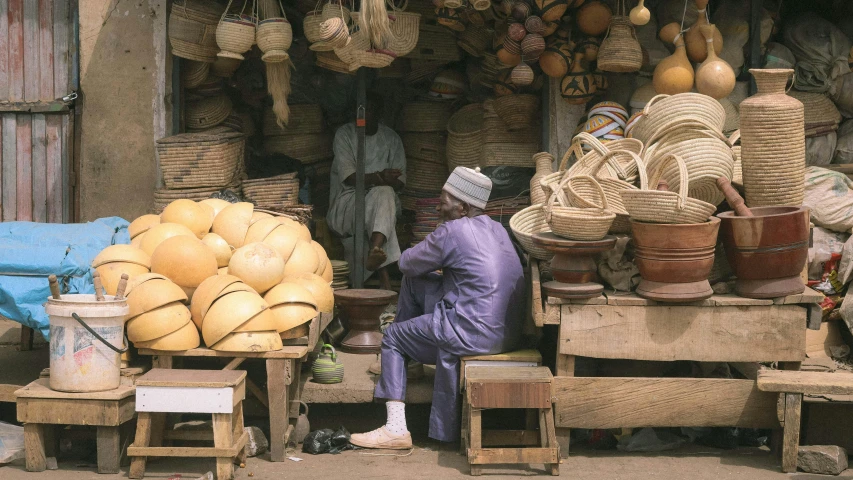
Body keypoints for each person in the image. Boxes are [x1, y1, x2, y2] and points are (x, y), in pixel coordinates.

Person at [350, 167, 526, 449]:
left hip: (472, 333)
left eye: (443, 203)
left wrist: (438, 240)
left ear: (463, 207)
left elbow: (406, 262)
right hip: (505, 334)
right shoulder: (498, 228)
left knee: (393, 336)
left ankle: (395, 427)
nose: (438, 208)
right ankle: (412, 363)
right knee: (416, 280)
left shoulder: (453, 231)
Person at [327, 92, 406, 290]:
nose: (364, 115)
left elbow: (401, 183)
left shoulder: (391, 138)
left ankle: (375, 249)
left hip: (384, 203)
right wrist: (380, 177)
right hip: (348, 202)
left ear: (379, 112)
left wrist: (388, 181)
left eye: (370, 110)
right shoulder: (344, 134)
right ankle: (382, 268)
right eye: (361, 111)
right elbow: (350, 177)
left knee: (385, 194)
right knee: (380, 207)